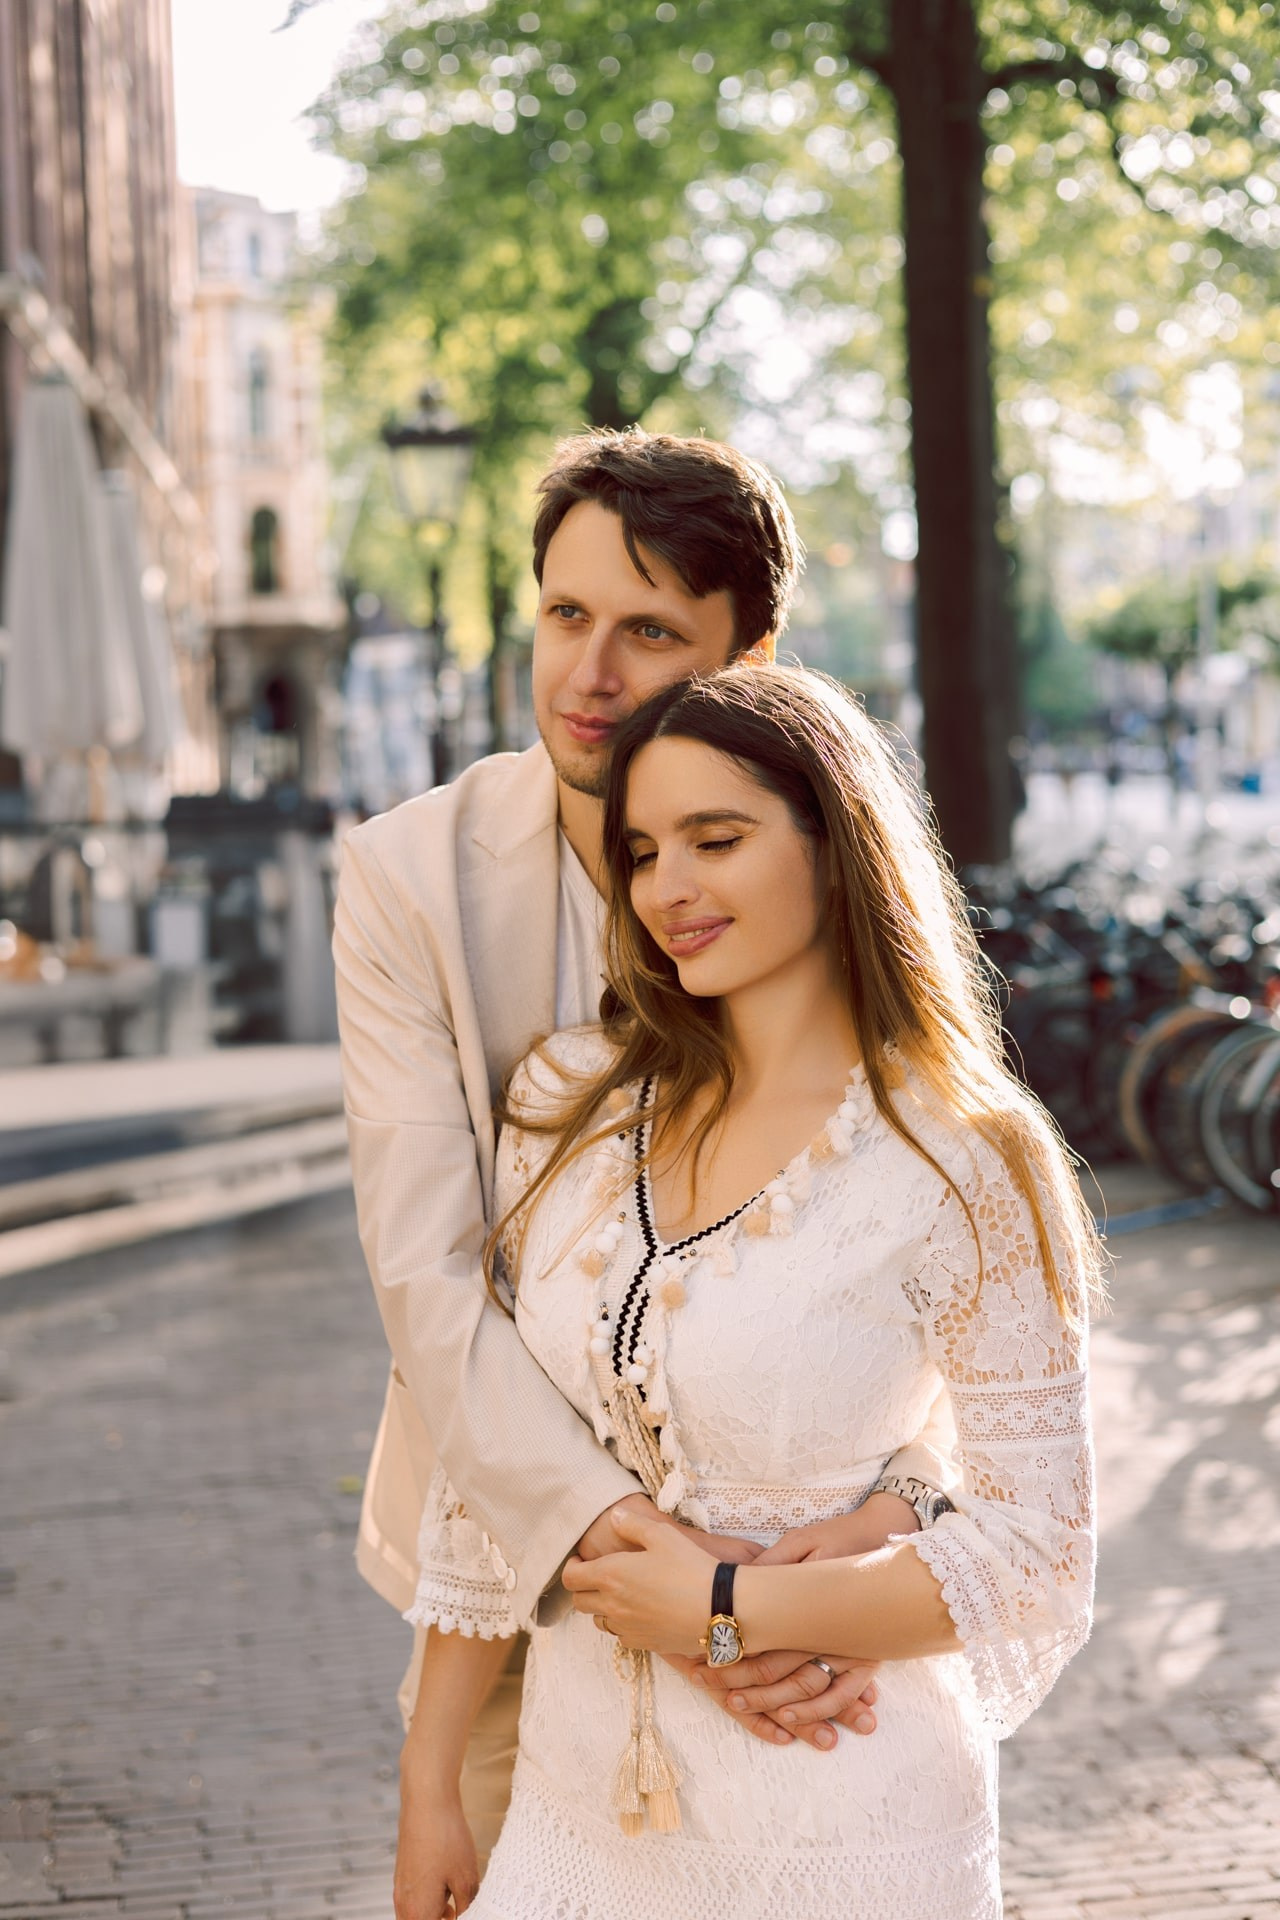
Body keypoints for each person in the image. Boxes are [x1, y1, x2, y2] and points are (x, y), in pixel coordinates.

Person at [332, 430, 955, 1909]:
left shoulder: (829, 875)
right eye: (564, 614)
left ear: (753, 651)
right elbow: (431, 1288)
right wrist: (684, 1604)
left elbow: (933, 1260)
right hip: (509, 1565)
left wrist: (864, 1535)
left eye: (650, 630)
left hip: (810, 1597)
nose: (588, 674)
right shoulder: (407, 881)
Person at [402, 663, 1101, 1918]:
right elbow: (483, 1458)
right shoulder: (566, 1106)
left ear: (834, 847)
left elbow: (1040, 1554)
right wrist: (430, 1781)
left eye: (714, 839)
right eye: (640, 850)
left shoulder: (964, 1157)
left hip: (842, 1820)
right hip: (571, 1813)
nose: (668, 888)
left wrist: (724, 1609)